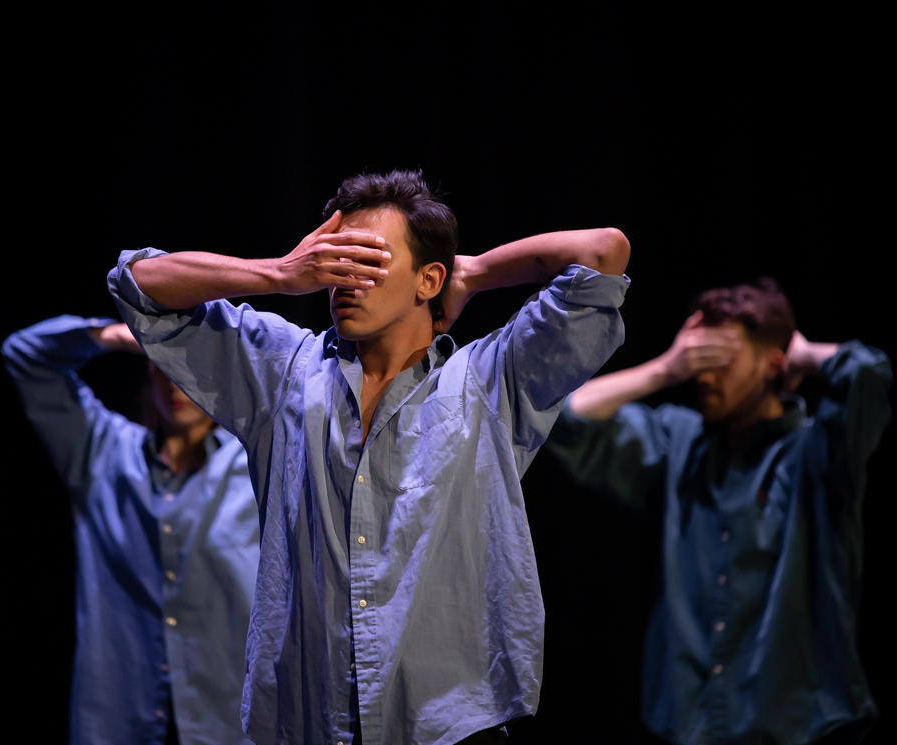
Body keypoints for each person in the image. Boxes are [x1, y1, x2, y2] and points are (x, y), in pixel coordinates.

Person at [106, 170, 631, 744]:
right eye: (334, 258)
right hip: (310, 721)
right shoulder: (283, 372)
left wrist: (473, 272)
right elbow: (139, 283)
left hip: (448, 728)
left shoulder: (488, 379)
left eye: (366, 260)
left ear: (428, 279)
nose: (342, 277)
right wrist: (280, 273)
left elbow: (602, 252)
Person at [543, 279, 892, 744]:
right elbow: (568, 419)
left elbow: (868, 373)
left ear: (773, 364)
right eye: (699, 358)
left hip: (797, 730)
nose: (704, 375)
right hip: (690, 728)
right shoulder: (679, 443)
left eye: (720, 358)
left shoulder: (817, 454)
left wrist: (801, 354)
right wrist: (665, 368)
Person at [2, 314, 260, 745]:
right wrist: (117, 336)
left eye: (190, 365)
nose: (176, 382)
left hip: (229, 723)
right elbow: (25, 355)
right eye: (164, 365)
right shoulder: (103, 454)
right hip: (120, 719)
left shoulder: (254, 467)